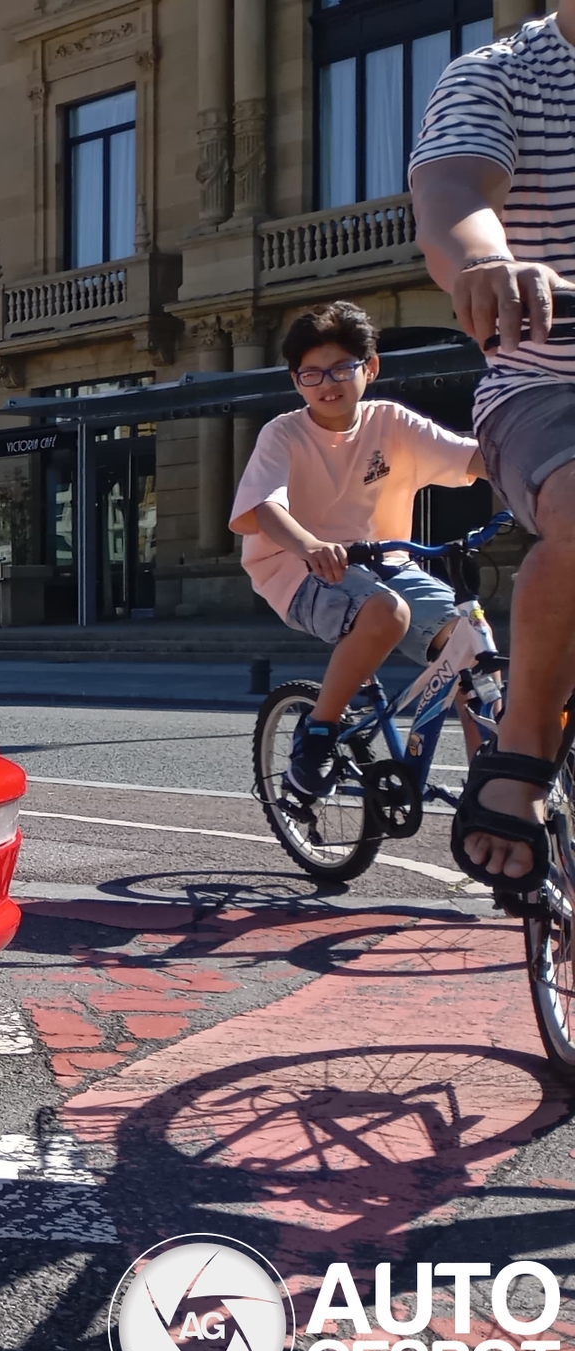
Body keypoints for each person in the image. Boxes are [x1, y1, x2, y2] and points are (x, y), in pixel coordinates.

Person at [412, 10, 575, 909]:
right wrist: (487, 264)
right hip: (548, 383)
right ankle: (520, 753)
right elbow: (456, 193)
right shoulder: (502, 74)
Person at [229, 303, 486, 797]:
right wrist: (309, 544)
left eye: (343, 368)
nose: (328, 383)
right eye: (312, 373)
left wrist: (542, 480)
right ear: (296, 380)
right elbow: (265, 507)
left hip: (388, 564)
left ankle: (488, 786)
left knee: (470, 643)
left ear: (370, 368)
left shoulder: (390, 422)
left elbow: (471, 456)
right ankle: (317, 735)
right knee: (386, 612)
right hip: (298, 570)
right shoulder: (283, 433)